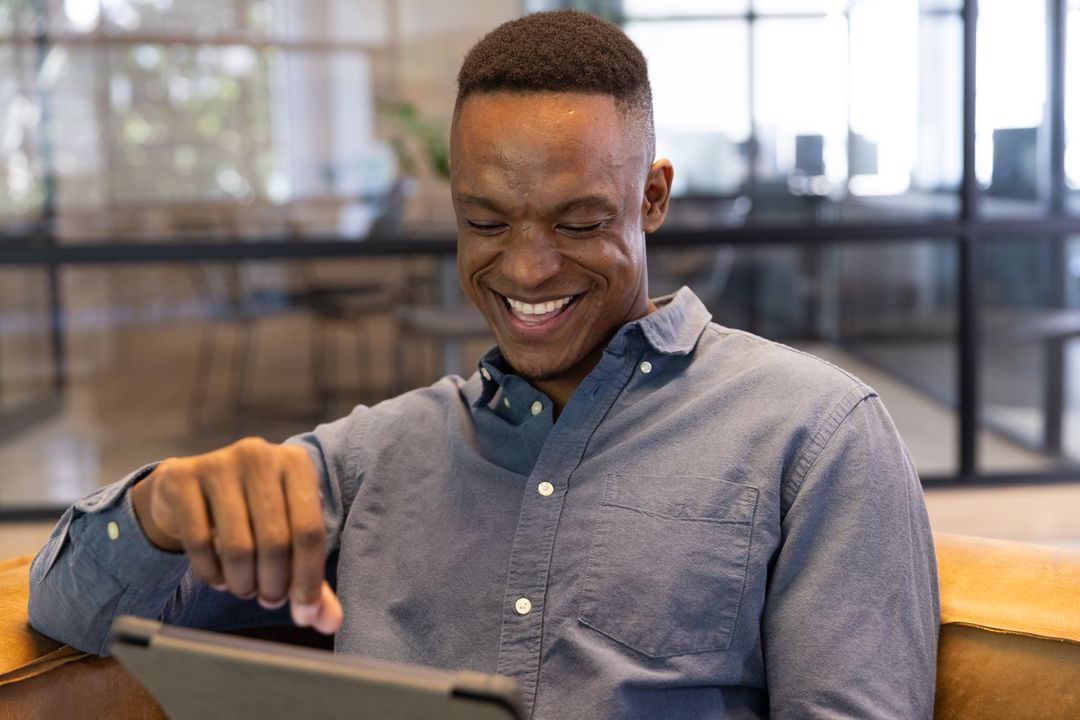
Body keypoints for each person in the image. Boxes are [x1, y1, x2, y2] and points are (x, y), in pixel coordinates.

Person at [28, 10, 938, 719]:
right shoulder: (375, 457)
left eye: (579, 222)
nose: (528, 269)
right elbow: (69, 610)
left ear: (652, 198)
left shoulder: (813, 435)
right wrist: (158, 510)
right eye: (487, 222)